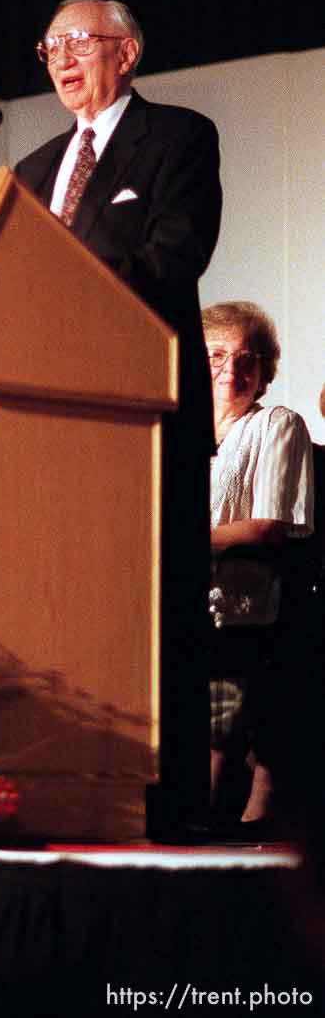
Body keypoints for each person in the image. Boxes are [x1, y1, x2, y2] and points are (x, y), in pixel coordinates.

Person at [15, 0, 223, 835]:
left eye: (80, 42)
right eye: (50, 46)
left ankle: (171, 809)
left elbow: (175, 254)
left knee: (159, 606)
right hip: (48, 427)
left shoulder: (177, 137)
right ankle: (67, 789)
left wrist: (68, 291)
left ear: (126, 52)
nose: (64, 58)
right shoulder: (30, 170)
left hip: (147, 411)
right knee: (60, 598)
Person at [204, 302, 314, 835]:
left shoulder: (276, 423)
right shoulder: (170, 432)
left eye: (247, 359)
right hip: (169, 600)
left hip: (245, 606)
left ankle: (217, 821)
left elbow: (270, 526)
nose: (231, 369)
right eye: (217, 355)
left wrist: (185, 544)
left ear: (265, 372)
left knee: (219, 714)